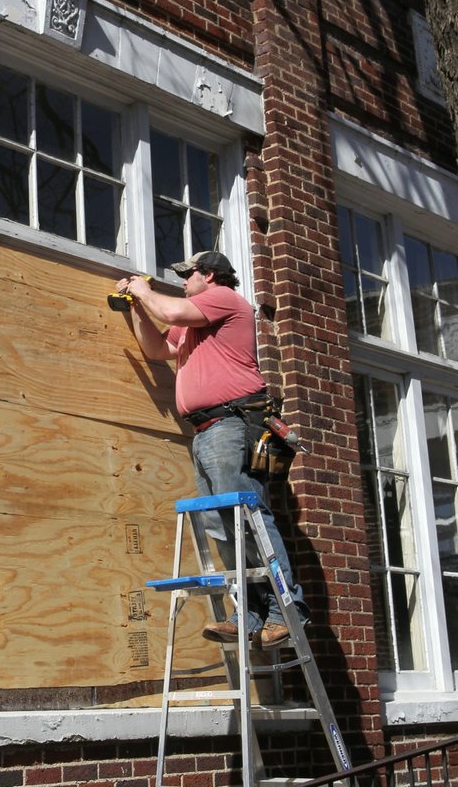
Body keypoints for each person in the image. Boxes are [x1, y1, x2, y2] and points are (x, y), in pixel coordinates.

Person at [116, 250, 309, 649]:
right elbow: (157, 350)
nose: (184, 282)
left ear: (211, 275)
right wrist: (135, 305)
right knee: (221, 525)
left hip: (231, 424)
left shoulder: (224, 300)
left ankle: (285, 610)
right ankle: (250, 615)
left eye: (189, 275)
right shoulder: (194, 323)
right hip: (205, 430)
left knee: (247, 515)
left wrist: (140, 287)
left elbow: (169, 312)